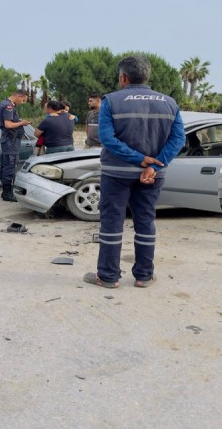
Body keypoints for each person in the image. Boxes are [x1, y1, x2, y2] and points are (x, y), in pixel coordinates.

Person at [83, 55, 184, 289]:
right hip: (153, 175)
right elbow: (178, 139)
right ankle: (144, 276)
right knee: (146, 221)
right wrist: (154, 163)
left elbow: (107, 138)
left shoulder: (111, 101)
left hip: (116, 173)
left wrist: (139, 159)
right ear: (147, 76)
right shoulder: (169, 103)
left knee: (111, 223)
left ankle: (108, 276)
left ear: (123, 77)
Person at [0, 90, 30, 202]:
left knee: (6, 164)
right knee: (10, 165)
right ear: (18, 96)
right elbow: (8, 124)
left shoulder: (4, 103)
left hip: (9, 139)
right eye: (23, 99)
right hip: (11, 140)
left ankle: (5, 192)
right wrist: (22, 123)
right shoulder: (8, 106)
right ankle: (7, 193)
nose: (23, 102)